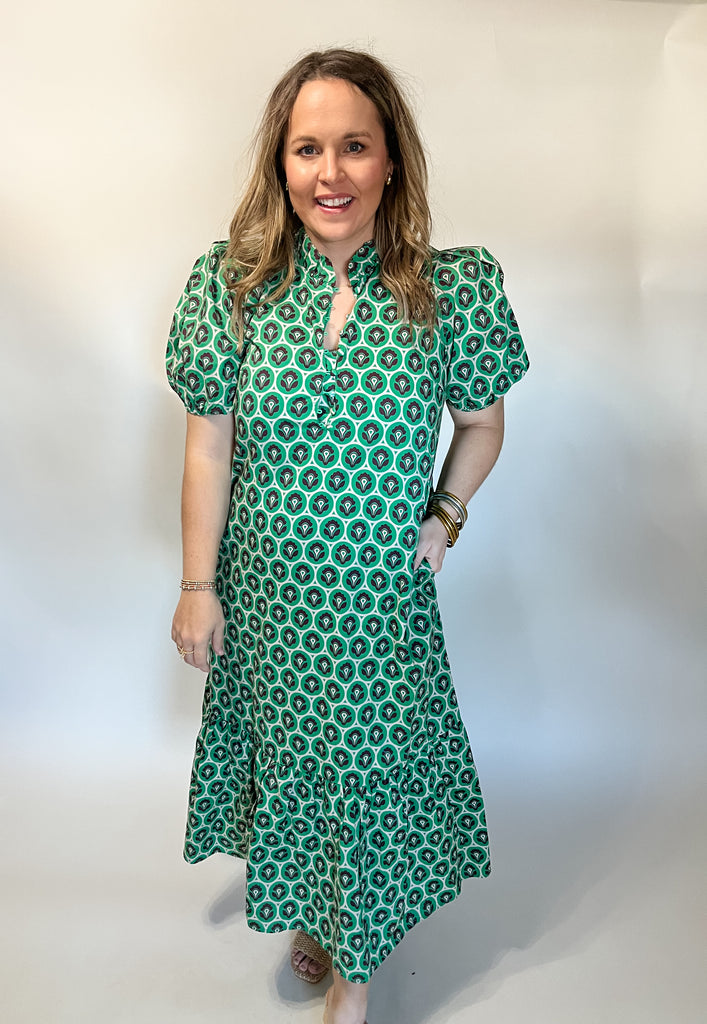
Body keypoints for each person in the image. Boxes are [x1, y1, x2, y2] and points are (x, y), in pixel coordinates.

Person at [166, 47, 529, 1024]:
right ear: (280, 164)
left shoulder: (447, 292)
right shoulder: (232, 289)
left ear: (390, 160)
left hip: (377, 609)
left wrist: (443, 517)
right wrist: (198, 587)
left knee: (363, 776)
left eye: (355, 146)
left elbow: (482, 425)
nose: (330, 172)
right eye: (307, 148)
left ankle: (354, 983)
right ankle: (324, 919)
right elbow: (207, 448)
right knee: (299, 767)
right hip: (270, 608)